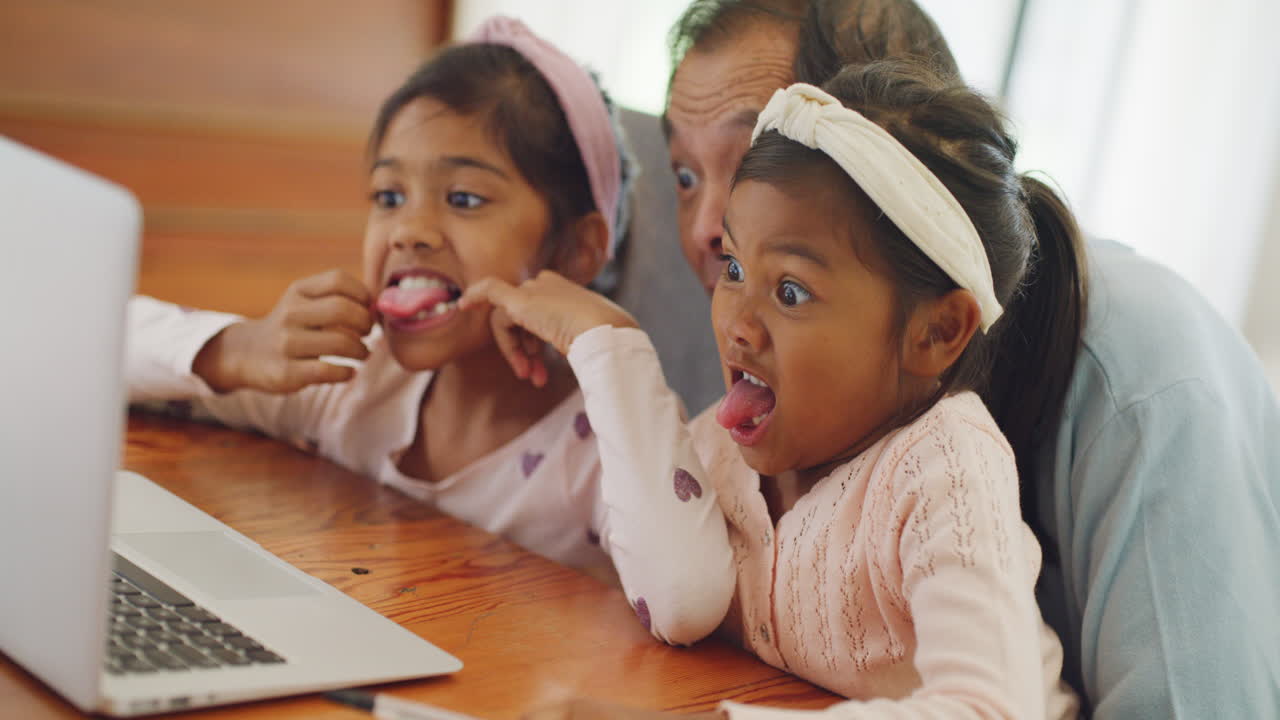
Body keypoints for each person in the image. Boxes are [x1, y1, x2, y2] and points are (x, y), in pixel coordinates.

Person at [634, 0, 1280, 717]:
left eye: (754, 155)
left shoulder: (1130, 381)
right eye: (684, 175)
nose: (704, 227)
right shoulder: (779, 390)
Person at [467, 62, 1082, 718]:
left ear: (936, 332)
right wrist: (608, 346)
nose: (737, 322)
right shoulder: (725, 449)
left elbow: (990, 711)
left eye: (791, 291)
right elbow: (676, 601)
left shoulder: (947, 468)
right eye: (733, 268)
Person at [126, 16, 734, 646]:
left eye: (464, 199)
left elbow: (685, 602)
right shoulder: (346, 376)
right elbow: (94, 350)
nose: (408, 230)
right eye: (389, 196)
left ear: (577, 251)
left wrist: (608, 340)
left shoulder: (606, 445)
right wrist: (236, 349)